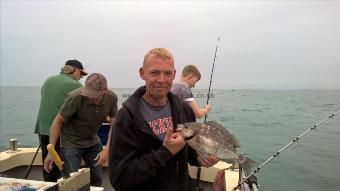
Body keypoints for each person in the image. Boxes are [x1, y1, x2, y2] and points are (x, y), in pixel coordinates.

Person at [108, 48, 218, 191]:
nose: (161, 79)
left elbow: (189, 150)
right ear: (142, 73)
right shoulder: (127, 117)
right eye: (154, 72)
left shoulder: (184, 109)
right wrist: (165, 152)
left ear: (174, 74)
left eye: (167, 73)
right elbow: (119, 178)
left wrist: (199, 158)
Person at [43, 73, 118, 187]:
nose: (90, 97)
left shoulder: (112, 98)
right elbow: (56, 122)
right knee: (73, 180)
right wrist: (51, 152)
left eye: (94, 95)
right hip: (71, 142)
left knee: (96, 177)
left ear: (105, 90)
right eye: (88, 94)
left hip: (92, 139)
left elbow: (115, 125)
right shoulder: (75, 97)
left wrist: (106, 150)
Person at [34, 59, 88, 182]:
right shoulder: (76, 85)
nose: (81, 78)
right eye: (81, 73)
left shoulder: (48, 80)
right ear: (73, 70)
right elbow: (85, 108)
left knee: (48, 165)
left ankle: (49, 186)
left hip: (43, 130)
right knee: (63, 170)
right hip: (60, 132)